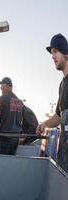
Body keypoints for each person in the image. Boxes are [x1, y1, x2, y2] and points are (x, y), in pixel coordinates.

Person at [37, 33, 68, 171]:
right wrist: (45, 124)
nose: (53, 56)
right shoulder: (62, 85)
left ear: (66, 53)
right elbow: (58, 117)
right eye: (51, 53)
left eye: (56, 51)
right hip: (64, 152)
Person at [0, 77, 23, 155]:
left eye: (2, 85)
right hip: (15, 139)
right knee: (9, 162)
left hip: (4, 138)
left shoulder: (2, 98)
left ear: (8, 86)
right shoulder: (20, 102)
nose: (0, 87)